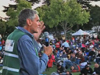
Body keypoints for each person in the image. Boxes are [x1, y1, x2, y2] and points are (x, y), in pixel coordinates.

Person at [2, 8, 52, 75]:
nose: (39, 24)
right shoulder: (24, 39)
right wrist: (46, 54)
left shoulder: (12, 35)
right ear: (29, 22)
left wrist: (34, 39)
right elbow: (36, 70)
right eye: (37, 21)